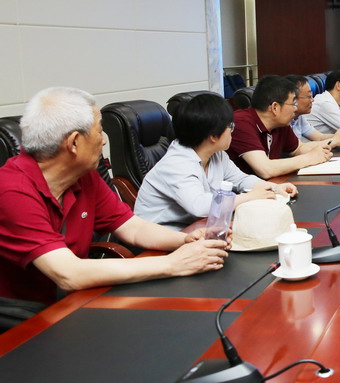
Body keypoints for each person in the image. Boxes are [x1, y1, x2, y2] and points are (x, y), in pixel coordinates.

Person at [0, 87, 228, 310]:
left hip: (75, 299)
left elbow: (133, 228)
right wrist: (173, 263)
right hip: (28, 313)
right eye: (99, 131)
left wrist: (185, 240)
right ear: (74, 142)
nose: (104, 141)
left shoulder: (84, 176)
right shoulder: (12, 191)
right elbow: (69, 274)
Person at [135, 93, 298, 229]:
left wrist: (274, 188)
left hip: (198, 227)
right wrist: (250, 197)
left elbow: (240, 179)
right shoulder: (177, 163)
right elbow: (199, 206)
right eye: (230, 126)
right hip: (161, 238)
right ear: (213, 136)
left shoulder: (216, 154)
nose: (232, 130)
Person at [226, 75, 332, 179]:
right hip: (244, 188)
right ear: (275, 107)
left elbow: (298, 148)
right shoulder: (241, 123)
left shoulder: (280, 123)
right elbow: (265, 169)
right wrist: (309, 158)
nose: (295, 109)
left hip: (270, 184)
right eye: (293, 104)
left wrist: (321, 151)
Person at [284, 75, 340, 148]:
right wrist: (334, 141)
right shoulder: (283, 123)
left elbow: (319, 137)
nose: (312, 100)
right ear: (292, 99)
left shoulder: (299, 118)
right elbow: (299, 148)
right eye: (309, 96)